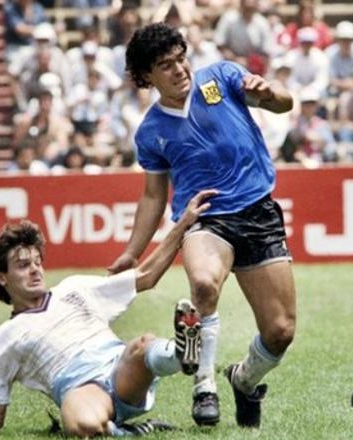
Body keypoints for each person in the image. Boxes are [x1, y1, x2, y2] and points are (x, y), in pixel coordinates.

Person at [108, 22, 296, 429]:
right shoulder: (151, 132)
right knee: (205, 284)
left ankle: (243, 379)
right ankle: (204, 386)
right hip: (205, 219)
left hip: (258, 212)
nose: (179, 70)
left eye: (181, 58)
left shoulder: (223, 78)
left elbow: (284, 104)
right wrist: (131, 251)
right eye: (165, 65)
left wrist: (270, 93)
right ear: (147, 77)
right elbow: (153, 197)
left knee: (280, 332)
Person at [0, 189, 217, 438]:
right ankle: (128, 431)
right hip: (80, 387)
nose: (35, 270)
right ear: (1, 277)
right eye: (23, 265)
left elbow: (145, 276)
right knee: (81, 424)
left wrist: (183, 224)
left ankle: (180, 352)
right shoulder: (6, 337)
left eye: (38, 262)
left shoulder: (74, 288)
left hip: (120, 367)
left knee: (141, 345)